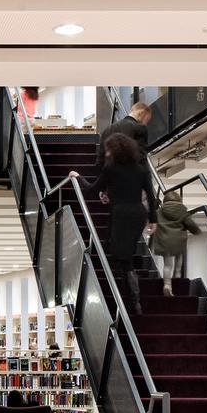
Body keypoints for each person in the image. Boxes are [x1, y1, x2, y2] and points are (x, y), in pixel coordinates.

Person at [69, 133, 157, 314]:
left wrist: (78, 178)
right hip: (137, 214)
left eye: (109, 150)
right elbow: (150, 195)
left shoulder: (111, 169)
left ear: (115, 151)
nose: (107, 153)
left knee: (117, 256)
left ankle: (126, 299)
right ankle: (134, 302)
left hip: (120, 214)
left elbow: (92, 189)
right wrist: (153, 219)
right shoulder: (141, 169)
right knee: (127, 255)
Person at [153, 190, 201, 296]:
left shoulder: (159, 212)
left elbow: (154, 222)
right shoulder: (182, 212)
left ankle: (167, 284)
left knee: (167, 265)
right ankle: (178, 279)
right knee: (178, 262)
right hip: (179, 241)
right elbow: (190, 224)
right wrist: (196, 231)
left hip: (165, 241)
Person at [95, 101, 152, 171]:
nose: (145, 124)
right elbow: (141, 158)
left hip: (109, 175)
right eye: (146, 120)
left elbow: (100, 158)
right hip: (130, 175)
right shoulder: (140, 128)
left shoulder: (107, 130)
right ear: (141, 114)